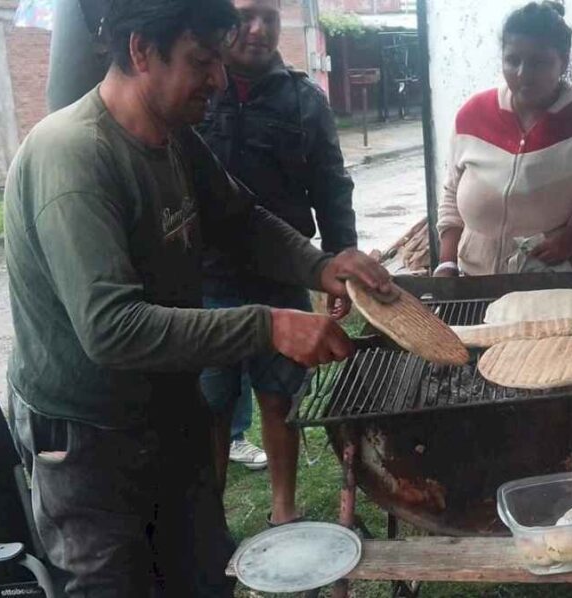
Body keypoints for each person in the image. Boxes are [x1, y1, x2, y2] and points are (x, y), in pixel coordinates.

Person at [3, 0, 392, 594]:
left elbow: (241, 221)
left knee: (204, 575)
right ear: (140, 52)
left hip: (167, 411)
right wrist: (269, 325)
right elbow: (111, 329)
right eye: (201, 61)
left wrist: (322, 267)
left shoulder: (174, 138)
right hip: (90, 443)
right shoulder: (74, 158)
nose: (217, 78)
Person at [196, 0, 356, 523]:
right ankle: (210, 516)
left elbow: (332, 187)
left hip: (283, 276)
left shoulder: (304, 100)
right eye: (245, 16)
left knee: (278, 397)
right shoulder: (197, 92)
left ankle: (282, 510)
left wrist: (338, 262)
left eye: (269, 16)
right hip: (207, 278)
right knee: (212, 403)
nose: (258, 29)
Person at [436, 1, 572, 277]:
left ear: (563, 60)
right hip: (476, 280)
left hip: (560, 282)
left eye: (539, 62)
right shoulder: (472, 115)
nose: (523, 74)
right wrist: (447, 262)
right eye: (513, 60)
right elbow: (452, 192)